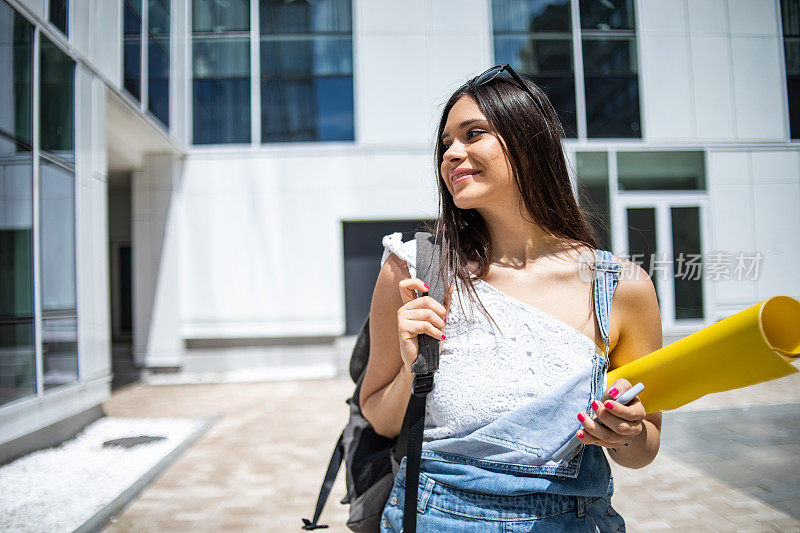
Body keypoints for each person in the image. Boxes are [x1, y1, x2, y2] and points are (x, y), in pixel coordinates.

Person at [359, 65, 663, 532]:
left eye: (473, 134)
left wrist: (626, 433)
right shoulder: (413, 267)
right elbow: (379, 418)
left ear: (529, 141)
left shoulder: (622, 287)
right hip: (432, 518)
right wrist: (410, 368)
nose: (451, 154)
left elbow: (644, 449)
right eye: (445, 144)